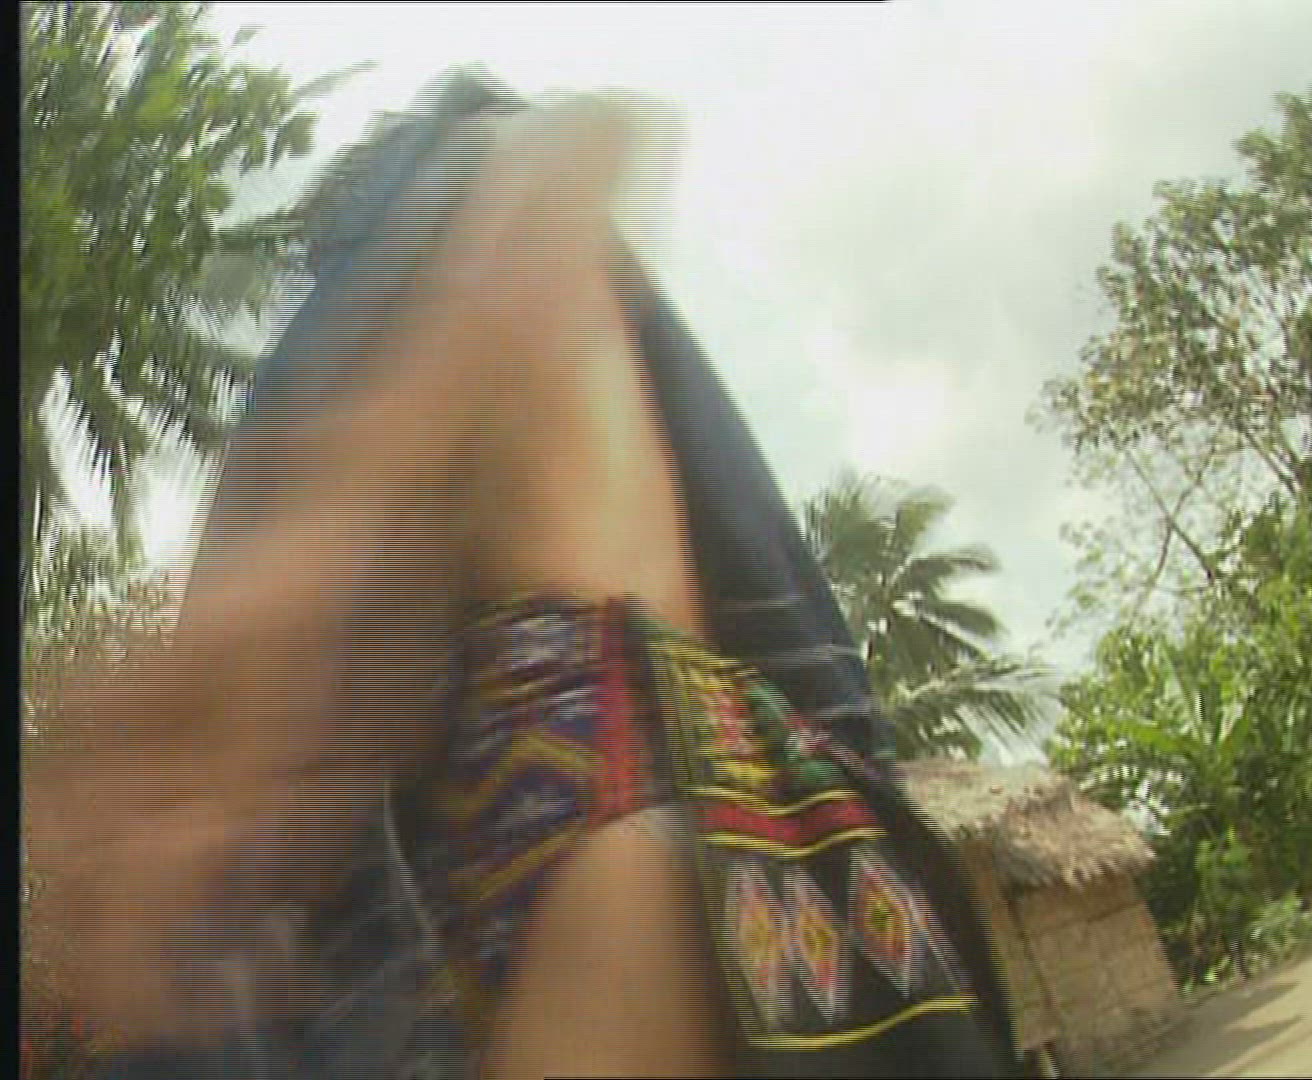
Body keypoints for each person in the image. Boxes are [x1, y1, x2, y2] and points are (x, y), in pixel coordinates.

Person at [26, 88, 1021, 1080]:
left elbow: (597, 130)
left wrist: (335, 510)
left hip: (612, 753)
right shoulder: (412, 409)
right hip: (513, 826)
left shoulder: (484, 180)